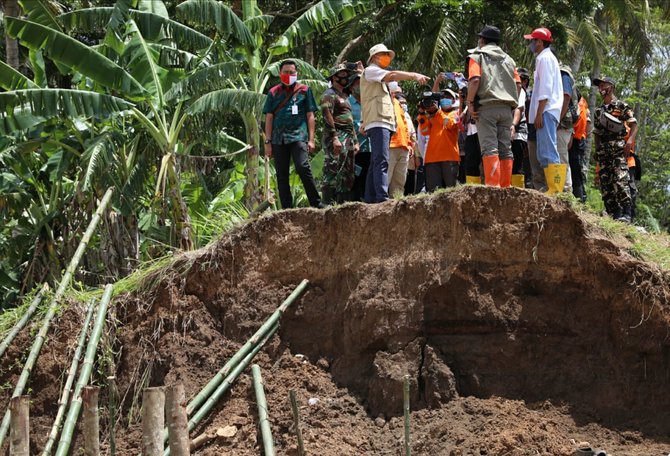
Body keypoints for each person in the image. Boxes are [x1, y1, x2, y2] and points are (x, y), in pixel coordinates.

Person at [360, 43, 429, 203]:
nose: (387, 58)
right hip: (378, 121)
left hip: (383, 122)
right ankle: (381, 197)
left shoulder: (378, 78)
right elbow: (392, 75)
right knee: (382, 160)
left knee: (377, 161)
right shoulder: (371, 71)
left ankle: (371, 197)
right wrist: (413, 75)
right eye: (384, 54)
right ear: (375, 57)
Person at [263, 60, 323, 209]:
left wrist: (311, 139)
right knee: (281, 174)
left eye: (292, 72)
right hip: (278, 139)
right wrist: (268, 142)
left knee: (303, 166)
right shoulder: (273, 92)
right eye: (285, 72)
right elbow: (269, 118)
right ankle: (286, 209)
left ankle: (316, 203)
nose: (288, 75)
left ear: (296, 74)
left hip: (298, 136)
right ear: (280, 73)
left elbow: (310, 115)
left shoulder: (304, 90)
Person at [465, 25, 519, 187]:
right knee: (505, 149)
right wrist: (512, 103)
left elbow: (474, 80)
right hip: (506, 109)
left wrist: (469, 102)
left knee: (489, 148)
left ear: (482, 40)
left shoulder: (477, 56)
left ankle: (493, 188)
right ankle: (505, 187)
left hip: (486, 108)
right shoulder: (509, 60)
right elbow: (518, 84)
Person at [524, 27, 565, 194]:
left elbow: (546, 89)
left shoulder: (545, 58)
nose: (531, 44)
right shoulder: (546, 58)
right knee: (544, 152)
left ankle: (555, 191)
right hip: (547, 110)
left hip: (547, 110)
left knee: (548, 151)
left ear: (540, 42)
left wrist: (539, 113)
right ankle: (553, 189)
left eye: (533, 41)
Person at [592, 76, 637, 221]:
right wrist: (597, 149)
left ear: (611, 86)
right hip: (604, 150)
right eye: (599, 86)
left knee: (621, 179)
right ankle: (614, 215)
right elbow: (597, 132)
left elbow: (634, 124)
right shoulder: (599, 111)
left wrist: (630, 141)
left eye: (603, 85)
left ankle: (627, 213)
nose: (601, 88)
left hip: (617, 147)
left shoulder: (621, 106)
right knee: (606, 183)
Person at [320, 63, 359, 204]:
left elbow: (350, 121)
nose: (345, 77)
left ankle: (342, 204)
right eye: (342, 74)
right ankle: (327, 204)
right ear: (334, 77)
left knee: (347, 170)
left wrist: (355, 140)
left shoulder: (345, 95)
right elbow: (327, 115)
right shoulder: (329, 94)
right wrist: (334, 137)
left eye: (346, 74)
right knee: (333, 167)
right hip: (336, 135)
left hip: (347, 137)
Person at [417, 92, 460, 191]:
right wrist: (422, 114)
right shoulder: (432, 116)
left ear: (453, 100)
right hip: (431, 159)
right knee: (433, 194)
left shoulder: (455, 113)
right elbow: (424, 132)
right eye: (443, 97)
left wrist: (438, 112)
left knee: (452, 192)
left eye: (448, 97)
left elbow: (450, 124)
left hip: (449, 157)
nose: (445, 99)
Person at [387, 82, 414, 197]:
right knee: (386, 179)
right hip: (390, 145)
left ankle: (396, 205)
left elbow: (405, 125)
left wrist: (409, 144)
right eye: (396, 92)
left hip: (403, 146)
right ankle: (380, 205)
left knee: (399, 182)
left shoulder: (398, 104)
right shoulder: (385, 102)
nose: (398, 95)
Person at [347, 72, 370, 202]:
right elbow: (346, 125)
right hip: (354, 147)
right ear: (351, 87)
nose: (360, 85)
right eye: (357, 83)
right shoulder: (347, 103)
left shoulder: (369, 101)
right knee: (355, 177)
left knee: (368, 176)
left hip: (370, 146)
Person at [558, 64, 578, 193]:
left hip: (563, 124)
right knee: (560, 157)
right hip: (565, 125)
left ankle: (565, 190)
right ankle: (562, 188)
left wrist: (558, 118)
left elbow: (566, 96)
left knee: (561, 158)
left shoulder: (563, 74)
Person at [511, 67, 529, 188]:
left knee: (518, 166)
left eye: (522, 79)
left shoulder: (522, 92)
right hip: (508, 132)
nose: (519, 81)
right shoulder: (508, 91)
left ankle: (518, 193)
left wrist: (513, 125)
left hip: (519, 133)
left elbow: (519, 109)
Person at [570, 96, 589, 202]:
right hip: (577, 138)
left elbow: (582, 122)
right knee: (575, 169)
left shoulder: (580, 104)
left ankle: (580, 198)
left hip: (577, 139)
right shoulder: (582, 104)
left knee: (576, 169)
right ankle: (580, 196)